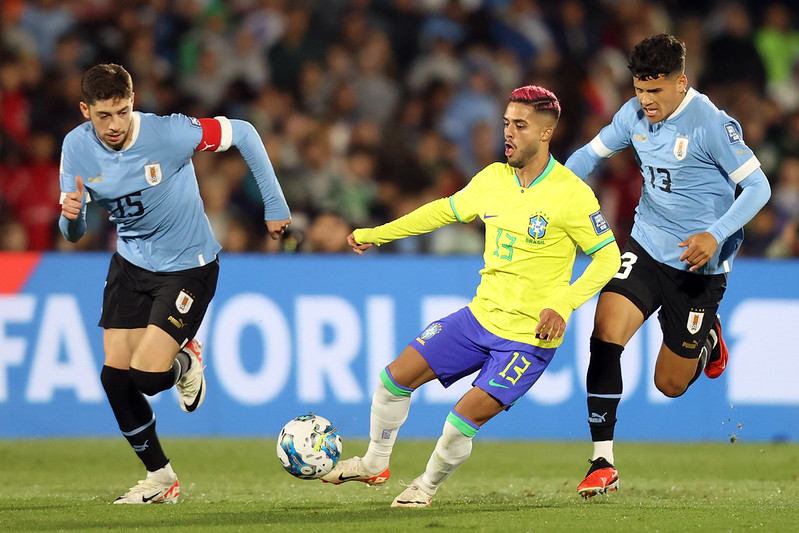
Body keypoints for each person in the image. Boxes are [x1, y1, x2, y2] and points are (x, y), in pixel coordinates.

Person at [320, 85, 622, 507]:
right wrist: (376, 234)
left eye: (520, 125)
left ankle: (424, 487)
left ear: (546, 133)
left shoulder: (571, 193)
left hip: (528, 339)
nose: (508, 134)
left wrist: (565, 302)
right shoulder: (493, 179)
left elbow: (608, 256)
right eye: (506, 124)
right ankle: (374, 462)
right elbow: (441, 211)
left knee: (459, 422)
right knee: (392, 380)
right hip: (478, 319)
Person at [58, 64, 290, 504]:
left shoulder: (169, 134)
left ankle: (184, 362)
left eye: (122, 112)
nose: (114, 125)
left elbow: (242, 132)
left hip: (189, 265)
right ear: (86, 110)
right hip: (130, 264)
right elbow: (73, 232)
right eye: (103, 115)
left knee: (147, 376)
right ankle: (161, 478)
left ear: (134, 101)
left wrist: (274, 204)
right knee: (114, 378)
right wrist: (72, 217)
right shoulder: (75, 148)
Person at [564, 34, 771, 498]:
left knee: (670, 384)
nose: (646, 101)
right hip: (646, 245)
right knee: (605, 332)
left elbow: (759, 189)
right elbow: (587, 158)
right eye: (639, 89)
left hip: (700, 266)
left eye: (655, 91)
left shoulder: (712, 125)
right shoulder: (632, 114)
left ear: (681, 82)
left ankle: (707, 336)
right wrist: (542, 194)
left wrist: (715, 234)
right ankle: (603, 461)